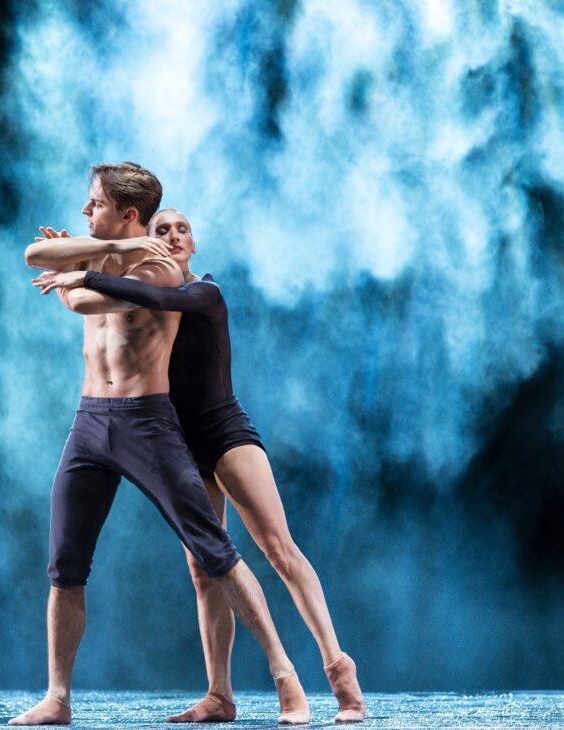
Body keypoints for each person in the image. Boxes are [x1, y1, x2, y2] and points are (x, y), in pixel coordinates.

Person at [32, 208, 366, 724]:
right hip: (174, 436)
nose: (170, 236)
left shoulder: (202, 291)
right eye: (160, 230)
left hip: (223, 433)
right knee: (202, 568)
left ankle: (340, 676)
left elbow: (161, 298)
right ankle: (219, 694)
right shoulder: (138, 276)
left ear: (194, 241)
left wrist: (85, 268)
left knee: (278, 549)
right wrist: (80, 266)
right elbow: (94, 304)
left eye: (180, 229)